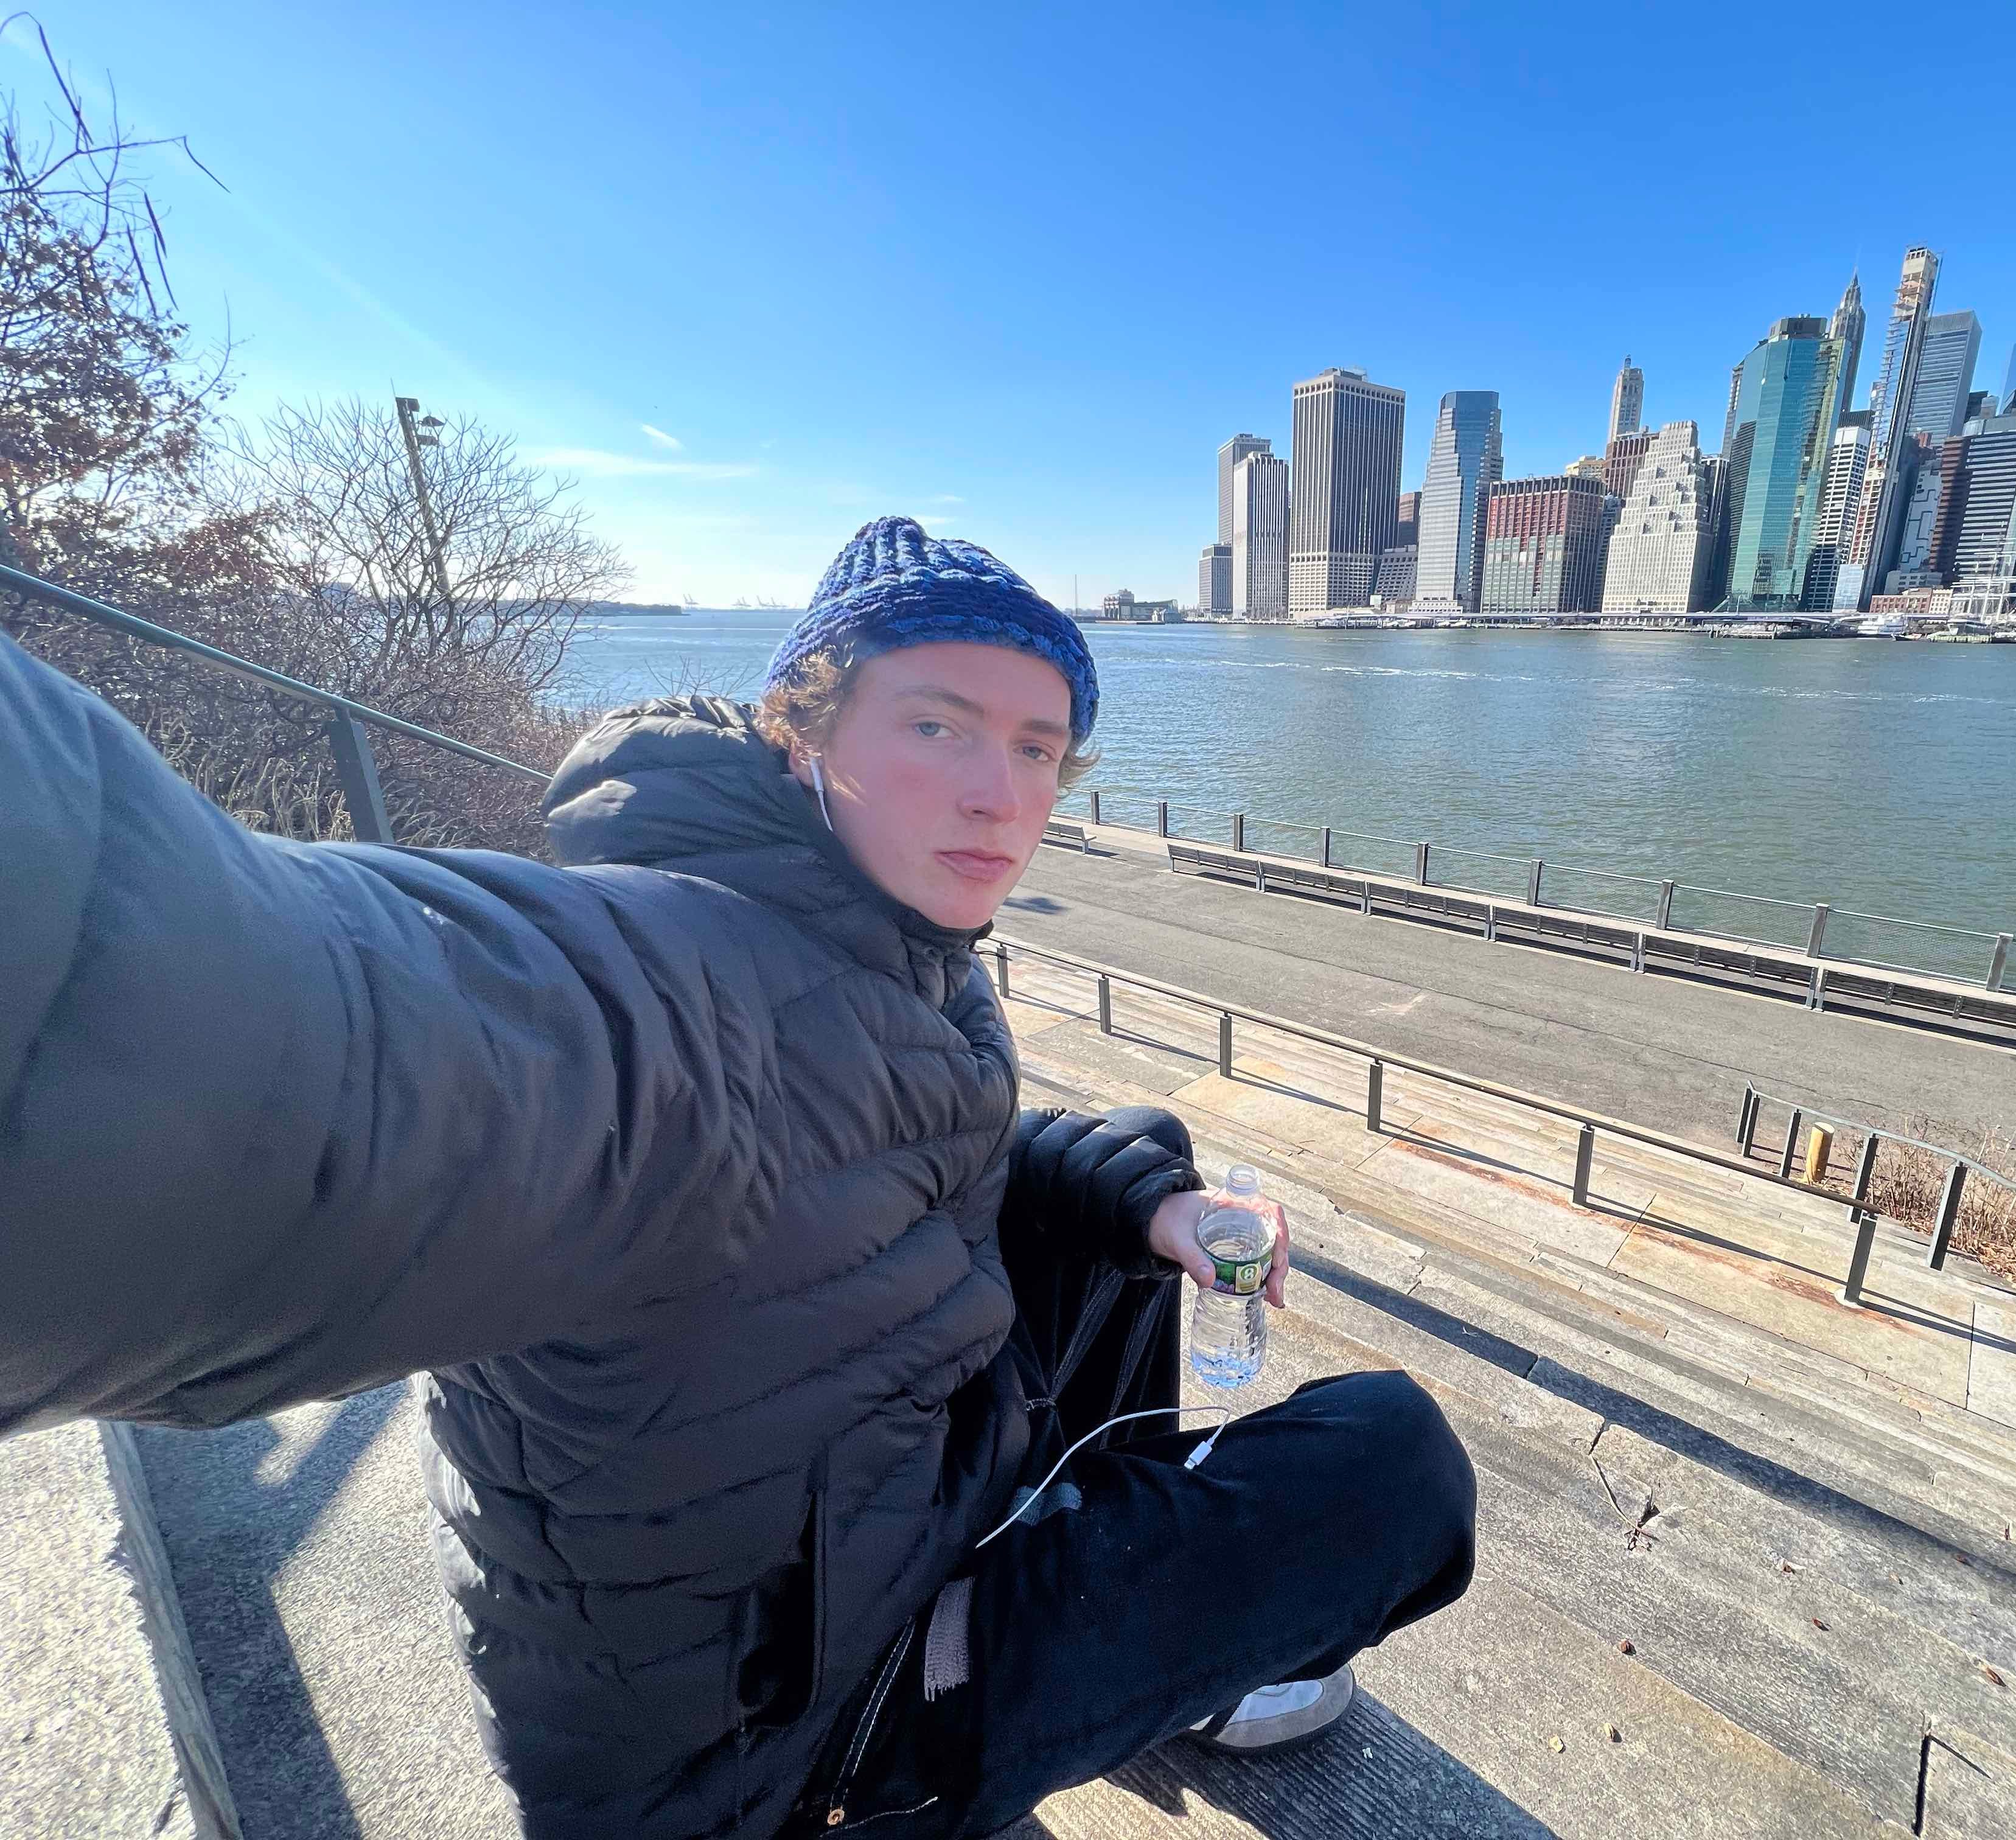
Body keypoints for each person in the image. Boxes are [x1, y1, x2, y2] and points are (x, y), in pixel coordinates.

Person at [0, 515, 1477, 1839]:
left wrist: (1151, 1204)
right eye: (939, 725)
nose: (1001, 795)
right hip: (772, 1750)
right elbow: (312, 1046)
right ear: (803, 732)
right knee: (1395, 1461)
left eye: (1038, 748)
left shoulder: (884, 940)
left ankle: (1127, 1603)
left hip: (863, 1527)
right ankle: (1168, 1661)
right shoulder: (658, 989)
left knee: (1139, 1148)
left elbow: (921, 1136)